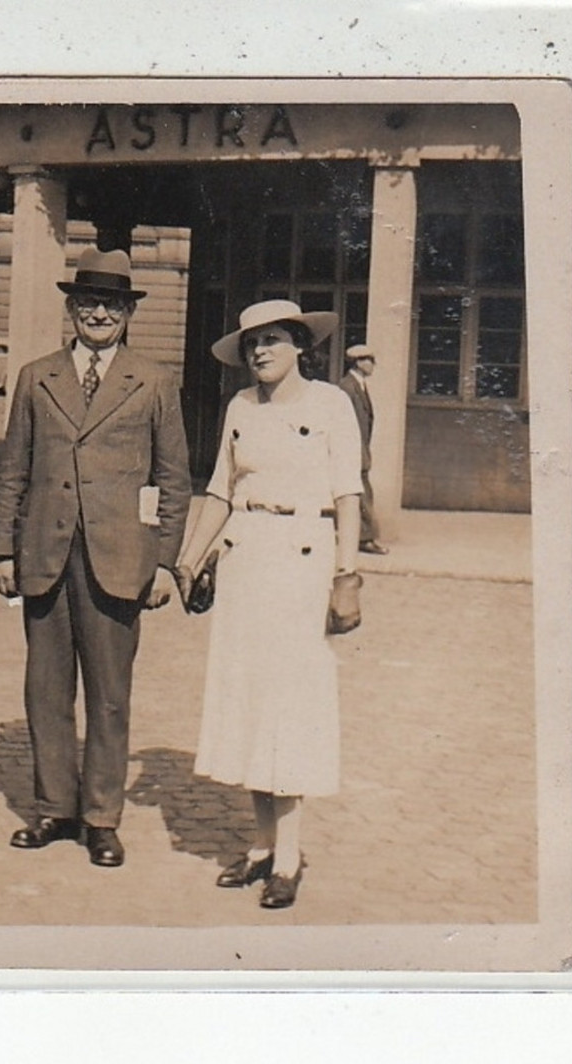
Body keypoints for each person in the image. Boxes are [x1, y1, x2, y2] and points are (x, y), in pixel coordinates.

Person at [0, 247, 192, 868]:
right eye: (87, 303)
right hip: (44, 554)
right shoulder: (36, 375)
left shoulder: (153, 380)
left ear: (128, 314)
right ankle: (55, 809)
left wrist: (162, 562)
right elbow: (12, 471)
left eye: (111, 305)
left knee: (108, 694)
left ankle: (101, 817)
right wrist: (1, 548)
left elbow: (172, 480)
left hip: (118, 558)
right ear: (70, 310)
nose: (98, 314)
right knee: (46, 692)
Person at [176, 299, 363, 910]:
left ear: (301, 347)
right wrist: (188, 560)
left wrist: (348, 576)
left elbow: (349, 494)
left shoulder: (330, 403)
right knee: (251, 700)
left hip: (304, 558)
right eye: (253, 341)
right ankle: (261, 846)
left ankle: (289, 856)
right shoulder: (239, 407)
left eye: (275, 340)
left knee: (290, 705)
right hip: (245, 558)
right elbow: (219, 490)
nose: (261, 351)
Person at [340, 343, 387, 554]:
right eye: (369, 359)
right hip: (352, 451)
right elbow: (344, 423)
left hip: (360, 450)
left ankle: (362, 536)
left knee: (362, 494)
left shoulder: (359, 385)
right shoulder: (346, 387)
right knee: (362, 494)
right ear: (358, 362)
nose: (373, 364)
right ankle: (365, 539)